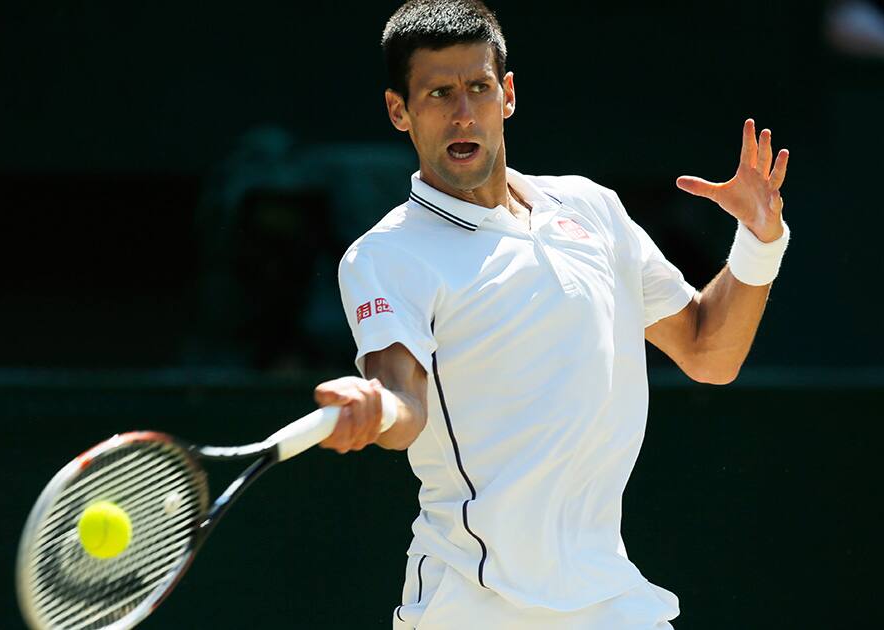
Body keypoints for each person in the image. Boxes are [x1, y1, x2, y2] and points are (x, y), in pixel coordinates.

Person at [313, 1, 790, 627]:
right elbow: (404, 403)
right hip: (472, 604)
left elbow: (708, 352)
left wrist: (758, 242)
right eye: (438, 93)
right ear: (399, 110)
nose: (463, 112)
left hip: (608, 597)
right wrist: (376, 406)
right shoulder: (386, 255)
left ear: (506, 95)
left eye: (479, 88)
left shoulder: (594, 209)